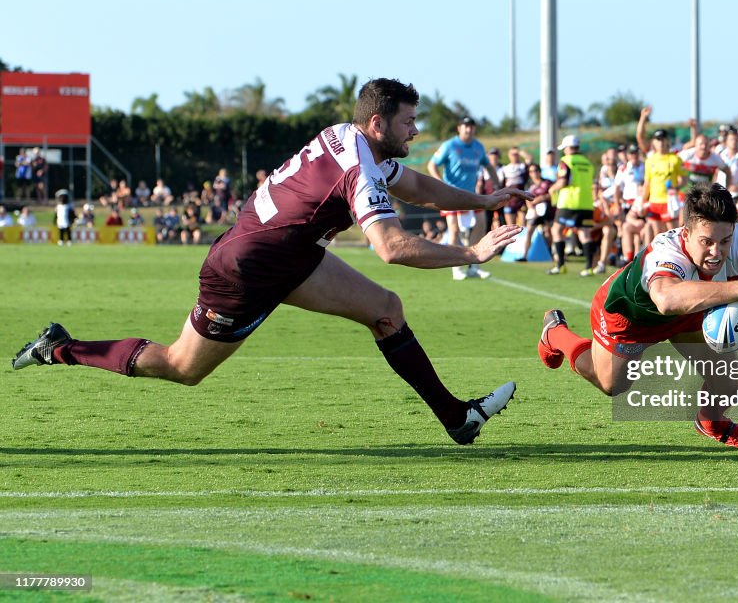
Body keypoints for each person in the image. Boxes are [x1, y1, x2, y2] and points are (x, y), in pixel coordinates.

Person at [12, 78, 529, 446]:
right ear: (379, 122)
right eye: (409, 122)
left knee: (385, 309)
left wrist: (484, 202)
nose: (415, 130)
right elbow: (391, 247)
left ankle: (457, 418)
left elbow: (414, 184)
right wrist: (471, 251)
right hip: (245, 268)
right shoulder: (359, 168)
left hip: (289, 255)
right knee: (181, 367)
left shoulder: (349, 137)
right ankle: (62, 349)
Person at [537, 183, 738, 448]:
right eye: (707, 242)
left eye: (725, 241)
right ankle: (555, 332)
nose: (717, 252)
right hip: (630, 316)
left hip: (691, 311)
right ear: (687, 233)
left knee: (729, 387)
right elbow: (667, 299)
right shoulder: (666, 252)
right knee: (613, 386)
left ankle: (712, 422)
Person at [427, 116, 499, 280]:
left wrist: (497, 185)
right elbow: (432, 165)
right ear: (459, 128)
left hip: (471, 195)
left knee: (481, 224)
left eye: (471, 126)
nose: (469, 129)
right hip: (451, 195)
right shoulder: (449, 146)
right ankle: (456, 267)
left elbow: (488, 166)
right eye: (465, 126)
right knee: (454, 229)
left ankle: (474, 265)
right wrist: (440, 183)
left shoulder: (478, 147)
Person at [633, 107, 686, 241]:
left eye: (664, 139)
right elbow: (647, 183)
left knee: (671, 237)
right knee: (657, 237)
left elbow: (684, 179)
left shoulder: (674, 159)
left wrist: (677, 187)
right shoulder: (650, 159)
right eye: (658, 140)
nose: (661, 142)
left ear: (668, 141)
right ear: (654, 142)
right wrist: (642, 201)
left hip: (669, 202)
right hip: (654, 201)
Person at [547, 134, 596, 275]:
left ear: (569, 148)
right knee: (585, 234)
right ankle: (588, 268)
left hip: (568, 201)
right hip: (586, 203)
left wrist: (552, 188)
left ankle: (560, 265)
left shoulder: (565, 161)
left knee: (556, 230)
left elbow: (563, 181)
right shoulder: (587, 162)